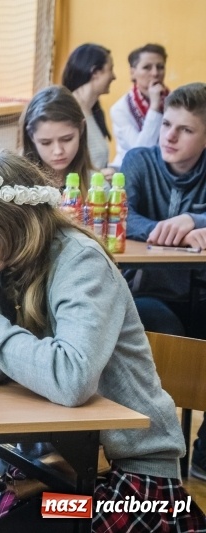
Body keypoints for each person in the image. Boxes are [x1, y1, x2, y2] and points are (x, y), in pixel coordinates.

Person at [0, 153, 206, 532]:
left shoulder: (80, 261)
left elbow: (71, 378)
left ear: (18, 228)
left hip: (129, 485)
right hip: (47, 471)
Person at [122, 82, 206, 481]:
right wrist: (169, 230)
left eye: (186, 130)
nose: (169, 136)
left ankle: (204, 451)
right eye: (167, 124)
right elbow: (123, 218)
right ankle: (150, 455)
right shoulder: (139, 160)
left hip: (202, 294)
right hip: (151, 291)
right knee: (157, 327)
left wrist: (195, 220)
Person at [20, 85, 94, 190]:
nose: (58, 151)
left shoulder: (97, 188)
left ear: (81, 128)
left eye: (67, 139)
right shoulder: (15, 187)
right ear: (31, 136)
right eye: (46, 142)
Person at [110, 43, 169, 169]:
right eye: (147, 67)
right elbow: (140, 152)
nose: (155, 73)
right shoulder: (120, 109)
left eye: (160, 67)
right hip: (132, 173)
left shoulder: (174, 102)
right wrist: (154, 107)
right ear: (133, 73)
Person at [62, 43, 116, 176]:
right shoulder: (67, 111)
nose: (114, 76)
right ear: (95, 73)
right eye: (111, 69)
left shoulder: (94, 110)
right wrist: (98, 176)